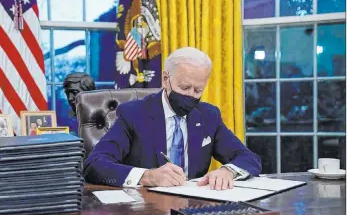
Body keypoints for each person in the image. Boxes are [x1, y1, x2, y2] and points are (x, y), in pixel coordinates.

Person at [83, 47, 261, 190]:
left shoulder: (208, 115)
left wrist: (228, 171)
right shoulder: (133, 114)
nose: (191, 95)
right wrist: (148, 176)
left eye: (198, 90)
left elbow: (248, 158)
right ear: (165, 79)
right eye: (184, 87)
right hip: (145, 214)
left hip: (194, 210)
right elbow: (95, 164)